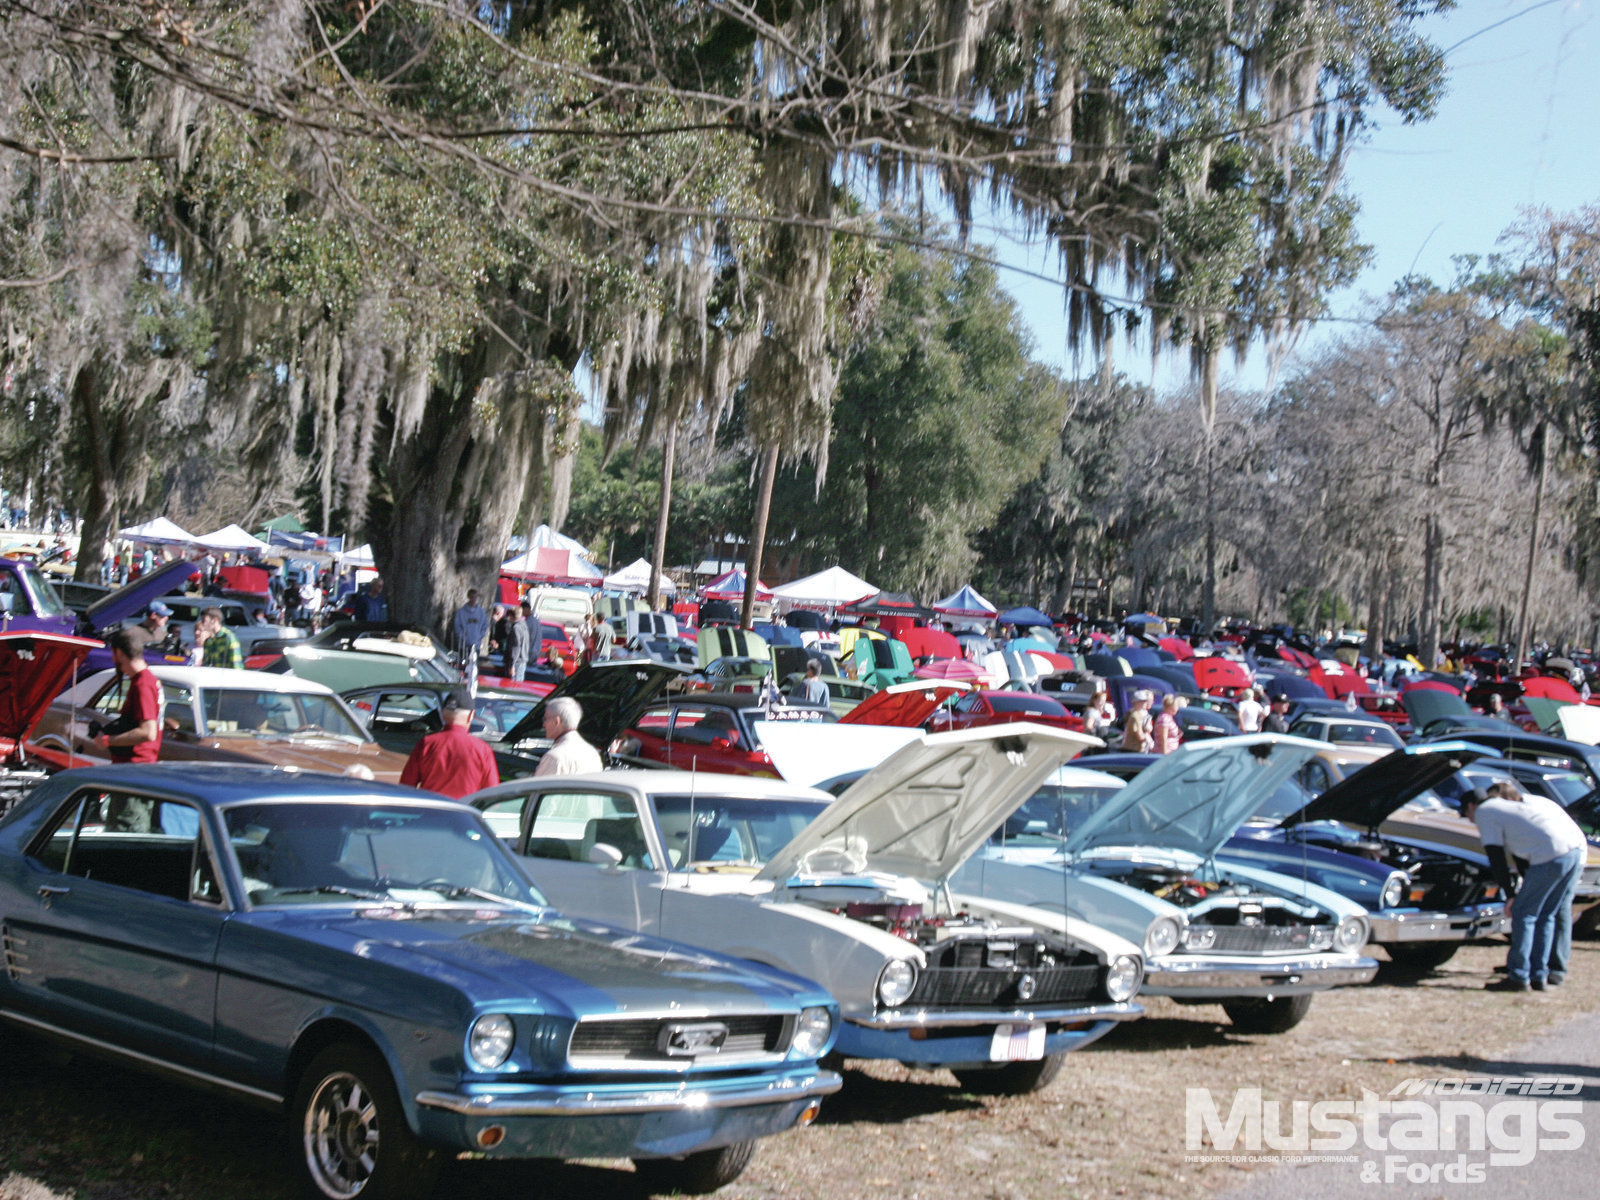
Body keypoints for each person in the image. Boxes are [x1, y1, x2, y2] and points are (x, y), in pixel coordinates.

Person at [1462, 784, 1585, 991]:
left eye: (1466, 814)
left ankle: (1519, 976)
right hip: (1572, 852)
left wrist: (1510, 896)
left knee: (1523, 914)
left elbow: (1496, 857)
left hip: (1550, 854)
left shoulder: (1485, 811)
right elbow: (1520, 853)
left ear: (1472, 806)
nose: (1470, 820)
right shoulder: (1508, 807)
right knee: (1546, 915)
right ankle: (1539, 975)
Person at [398, 686, 499, 799]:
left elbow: (406, 787)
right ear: (471, 716)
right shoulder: (483, 750)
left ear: (442, 714)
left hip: (431, 808)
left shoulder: (426, 744)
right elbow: (492, 795)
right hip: (465, 809)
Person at [93, 628, 163, 764]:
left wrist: (107, 740)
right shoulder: (149, 680)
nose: (113, 659)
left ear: (119, 653)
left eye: (113, 654)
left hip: (135, 764)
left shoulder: (143, 684)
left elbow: (148, 732)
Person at [534, 696, 602, 776]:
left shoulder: (554, 757)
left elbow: (539, 784)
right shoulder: (593, 753)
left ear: (556, 721)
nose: (543, 725)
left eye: (545, 719)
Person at [507, 600, 532, 682]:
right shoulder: (524, 625)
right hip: (523, 659)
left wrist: (512, 664)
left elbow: (516, 646)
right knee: (519, 683)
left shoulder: (516, 628)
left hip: (517, 661)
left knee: (514, 684)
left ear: (511, 616)